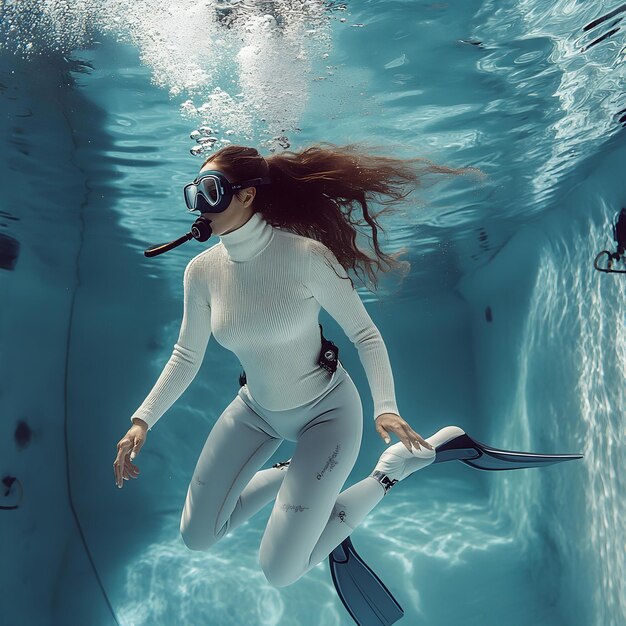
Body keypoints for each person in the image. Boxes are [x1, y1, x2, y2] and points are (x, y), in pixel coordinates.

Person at [113, 143, 476, 588]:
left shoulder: (306, 256)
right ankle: (295, 476)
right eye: (194, 194)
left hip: (328, 414)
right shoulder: (200, 272)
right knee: (196, 537)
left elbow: (365, 335)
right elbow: (186, 356)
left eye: (211, 191)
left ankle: (391, 470)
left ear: (247, 195)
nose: (200, 205)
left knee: (280, 571)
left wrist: (386, 406)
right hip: (256, 411)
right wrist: (141, 421)